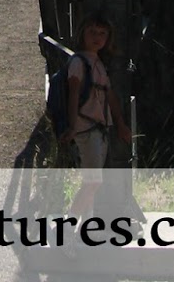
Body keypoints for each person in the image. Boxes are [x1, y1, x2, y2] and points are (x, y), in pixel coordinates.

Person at [59, 13, 132, 215]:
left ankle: (85, 223)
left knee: (92, 182)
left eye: (102, 33)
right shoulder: (78, 63)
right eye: (92, 32)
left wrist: (120, 124)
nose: (97, 37)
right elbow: (73, 94)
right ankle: (70, 224)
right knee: (93, 182)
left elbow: (111, 97)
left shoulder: (98, 63)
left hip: (99, 129)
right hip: (85, 128)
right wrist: (72, 126)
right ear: (83, 33)